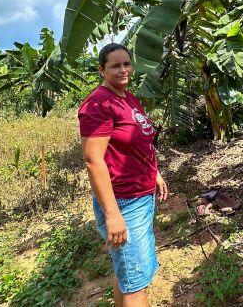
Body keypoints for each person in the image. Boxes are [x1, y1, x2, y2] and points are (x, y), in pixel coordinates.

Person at [79, 43, 168, 307]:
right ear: (101, 70)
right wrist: (113, 215)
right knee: (136, 284)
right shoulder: (98, 104)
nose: (123, 70)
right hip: (124, 202)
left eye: (126, 64)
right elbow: (93, 160)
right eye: (115, 65)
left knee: (127, 274)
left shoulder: (128, 97)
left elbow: (140, 142)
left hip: (140, 196)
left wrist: (155, 173)